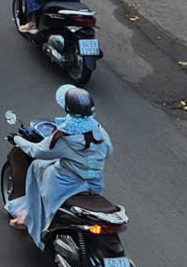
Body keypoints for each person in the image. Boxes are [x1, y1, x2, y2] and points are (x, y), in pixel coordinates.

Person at [9, 84, 112, 238]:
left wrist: (17, 139)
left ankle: (28, 218)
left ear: (68, 109)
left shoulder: (65, 136)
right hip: (95, 183)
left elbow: (37, 151)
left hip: (65, 184)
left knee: (37, 166)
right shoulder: (100, 131)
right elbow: (108, 151)